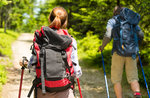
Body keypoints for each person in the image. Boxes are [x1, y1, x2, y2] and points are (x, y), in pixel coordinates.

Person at [19, 7, 82, 98]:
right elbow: (76, 72)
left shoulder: (40, 38)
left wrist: (25, 63)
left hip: (43, 90)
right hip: (65, 90)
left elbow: (33, 66)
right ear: (65, 22)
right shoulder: (71, 41)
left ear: (49, 19)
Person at [99, 6, 144, 98]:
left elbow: (108, 35)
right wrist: (135, 46)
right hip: (132, 53)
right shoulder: (131, 20)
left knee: (116, 80)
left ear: (114, 12)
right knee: (133, 78)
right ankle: (137, 94)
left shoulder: (112, 21)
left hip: (117, 52)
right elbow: (141, 34)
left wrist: (102, 47)